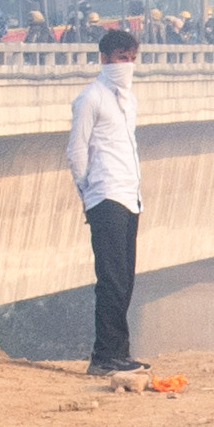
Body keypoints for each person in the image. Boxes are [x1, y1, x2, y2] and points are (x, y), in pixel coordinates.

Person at [69, 27, 148, 377]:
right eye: (120, 58)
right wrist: (88, 192)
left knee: (125, 278)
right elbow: (76, 151)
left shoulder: (129, 100)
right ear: (104, 58)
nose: (126, 65)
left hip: (130, 195)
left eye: (131, 58)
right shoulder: (91, 98)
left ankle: (120, 351)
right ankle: (104, 356)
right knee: (111, 278)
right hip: (105, 195)